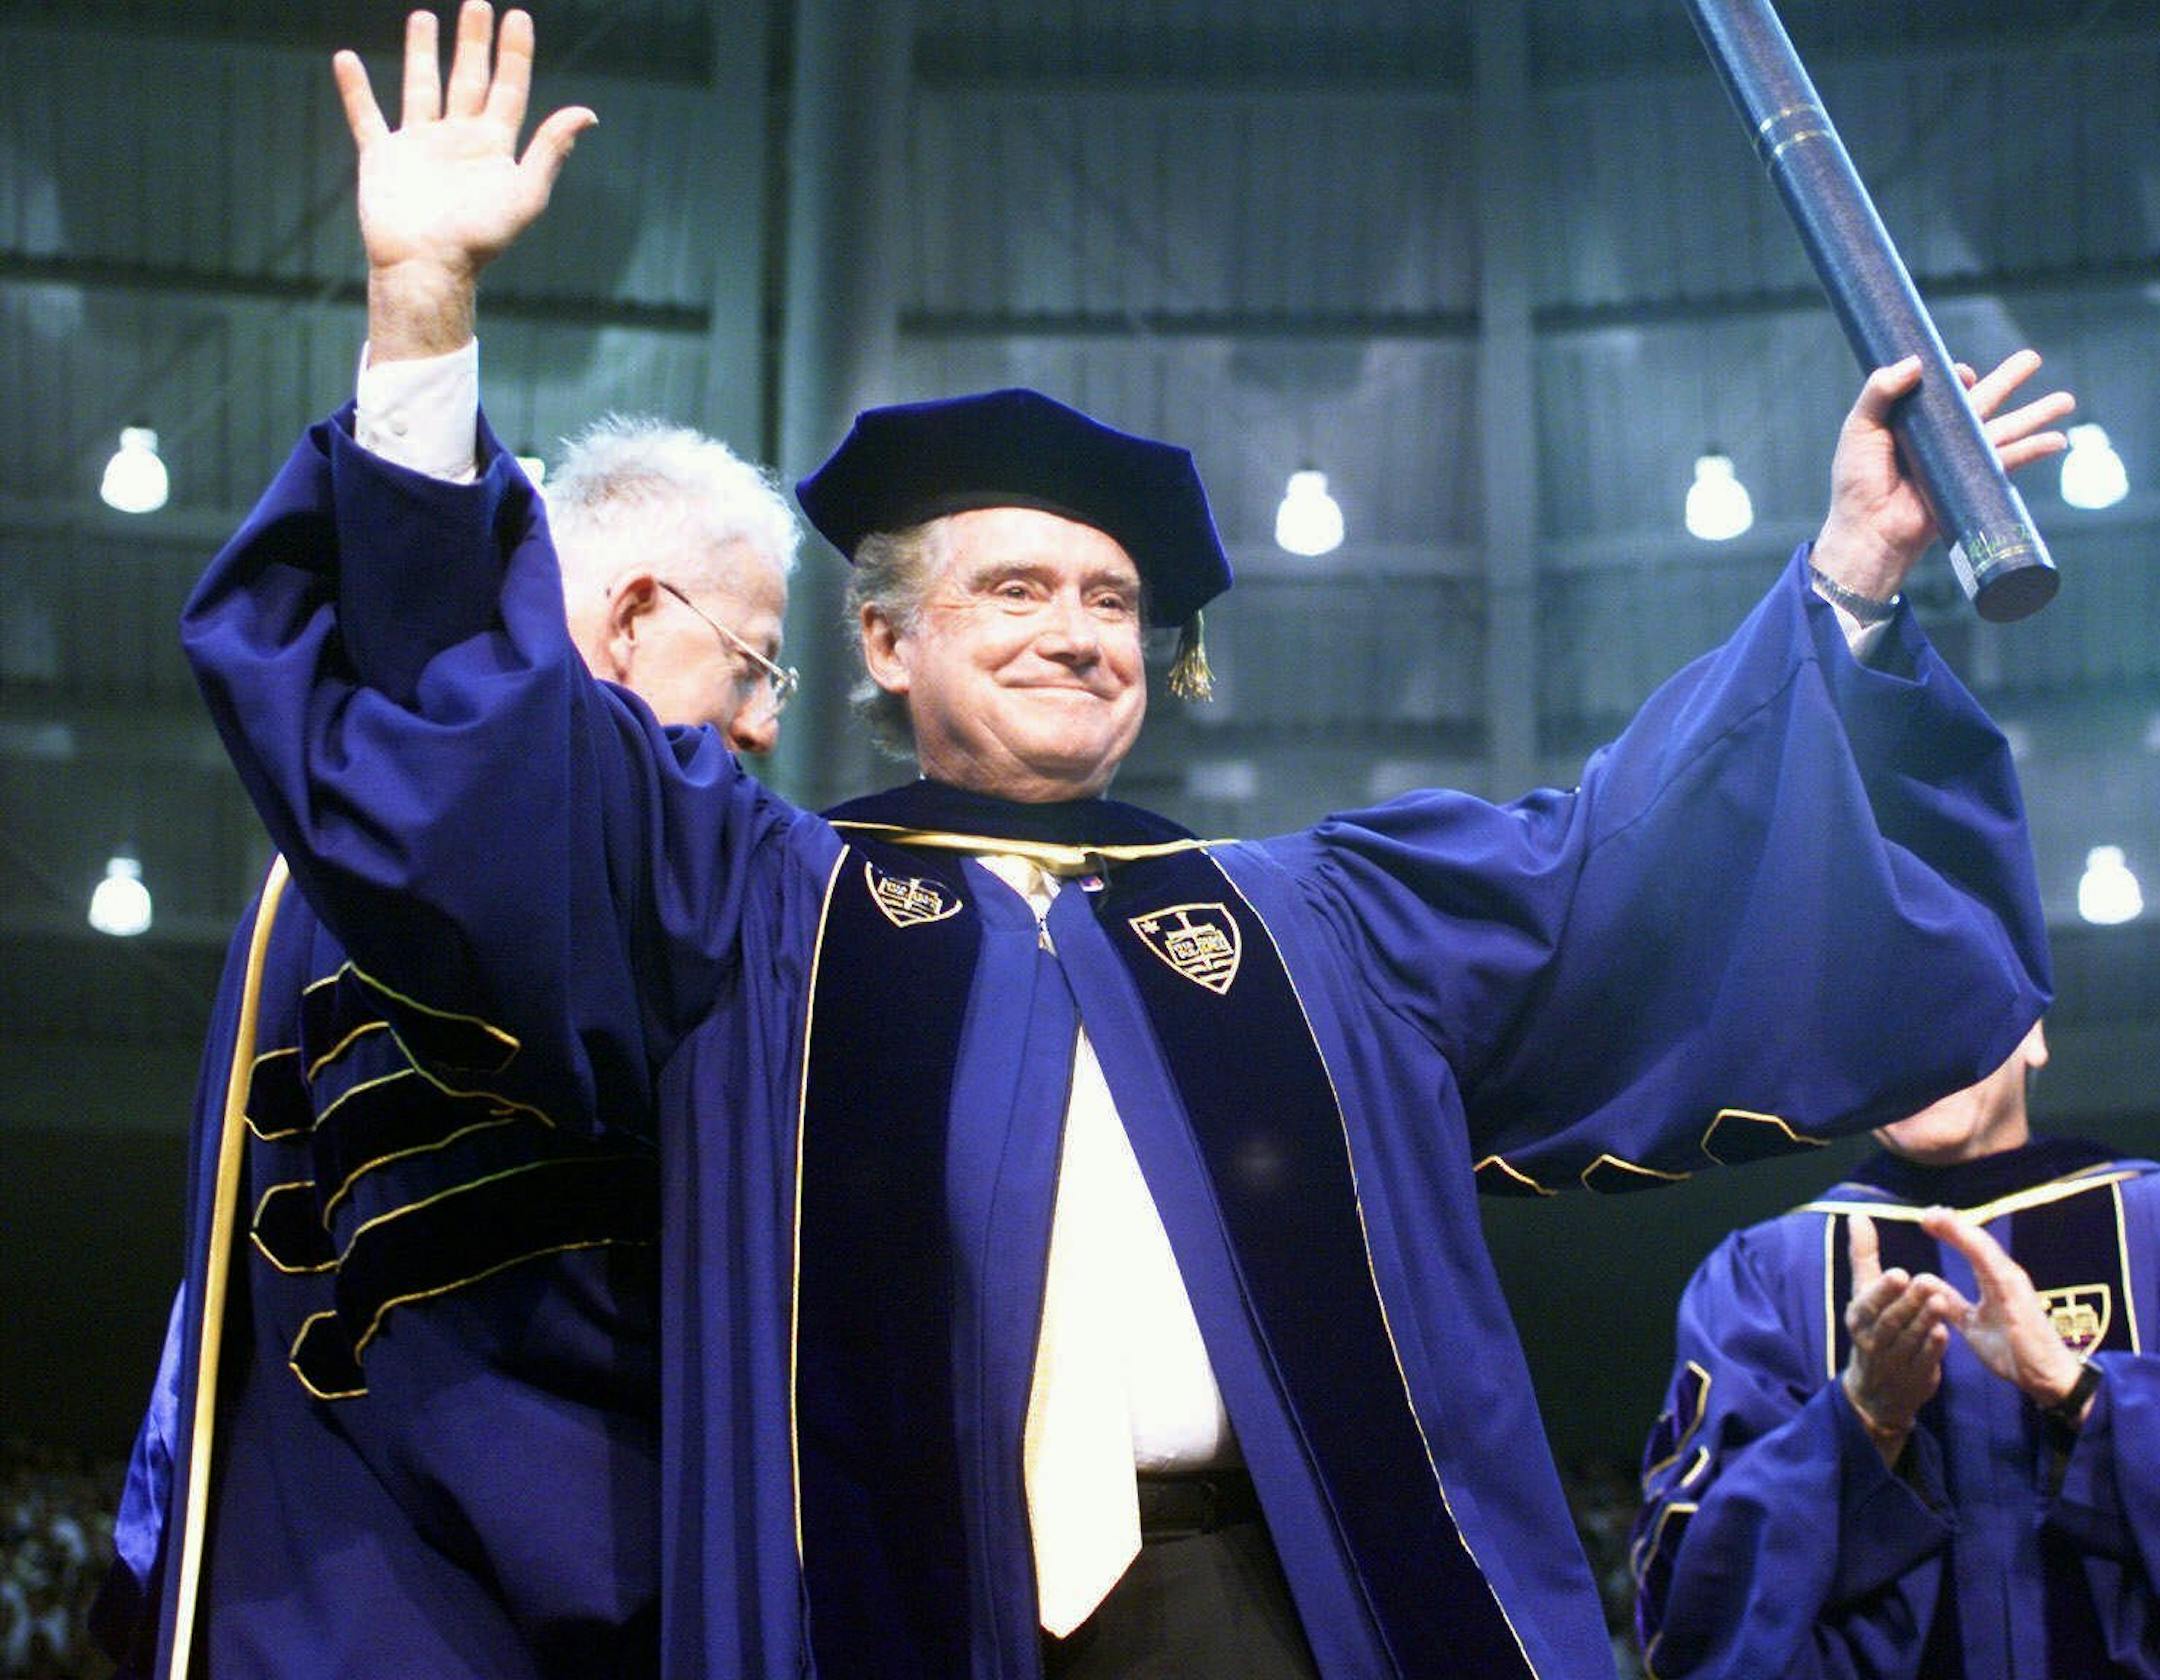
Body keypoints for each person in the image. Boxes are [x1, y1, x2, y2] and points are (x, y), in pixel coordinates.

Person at [179, 5, 2072, 1675]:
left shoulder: (1320, 919)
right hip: (899, 1613)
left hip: (1293, 1609)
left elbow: (1630, 866)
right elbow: (481, 765)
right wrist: (422, 317)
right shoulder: (753, 903)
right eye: (1010, 588)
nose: (1077, 629)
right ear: (887, 643)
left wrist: (1846, 580)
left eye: (1112, 603)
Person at [96, 380, 800, 1678]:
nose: (761, 723)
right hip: (537, 1583)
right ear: (638, 616)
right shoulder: (558, 869)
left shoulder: (300, 882)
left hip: (294, 1580)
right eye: (755, 663)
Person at [1632, 1024, 2160, 1679]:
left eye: (1947, 1008)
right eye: (1879, 1021)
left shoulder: (2149, 1223)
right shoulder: (1767, 1274)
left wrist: (2077, 1393)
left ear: (2033, 1035)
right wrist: (1860, 1421)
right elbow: (1696, 1615)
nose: (1916, 1046)